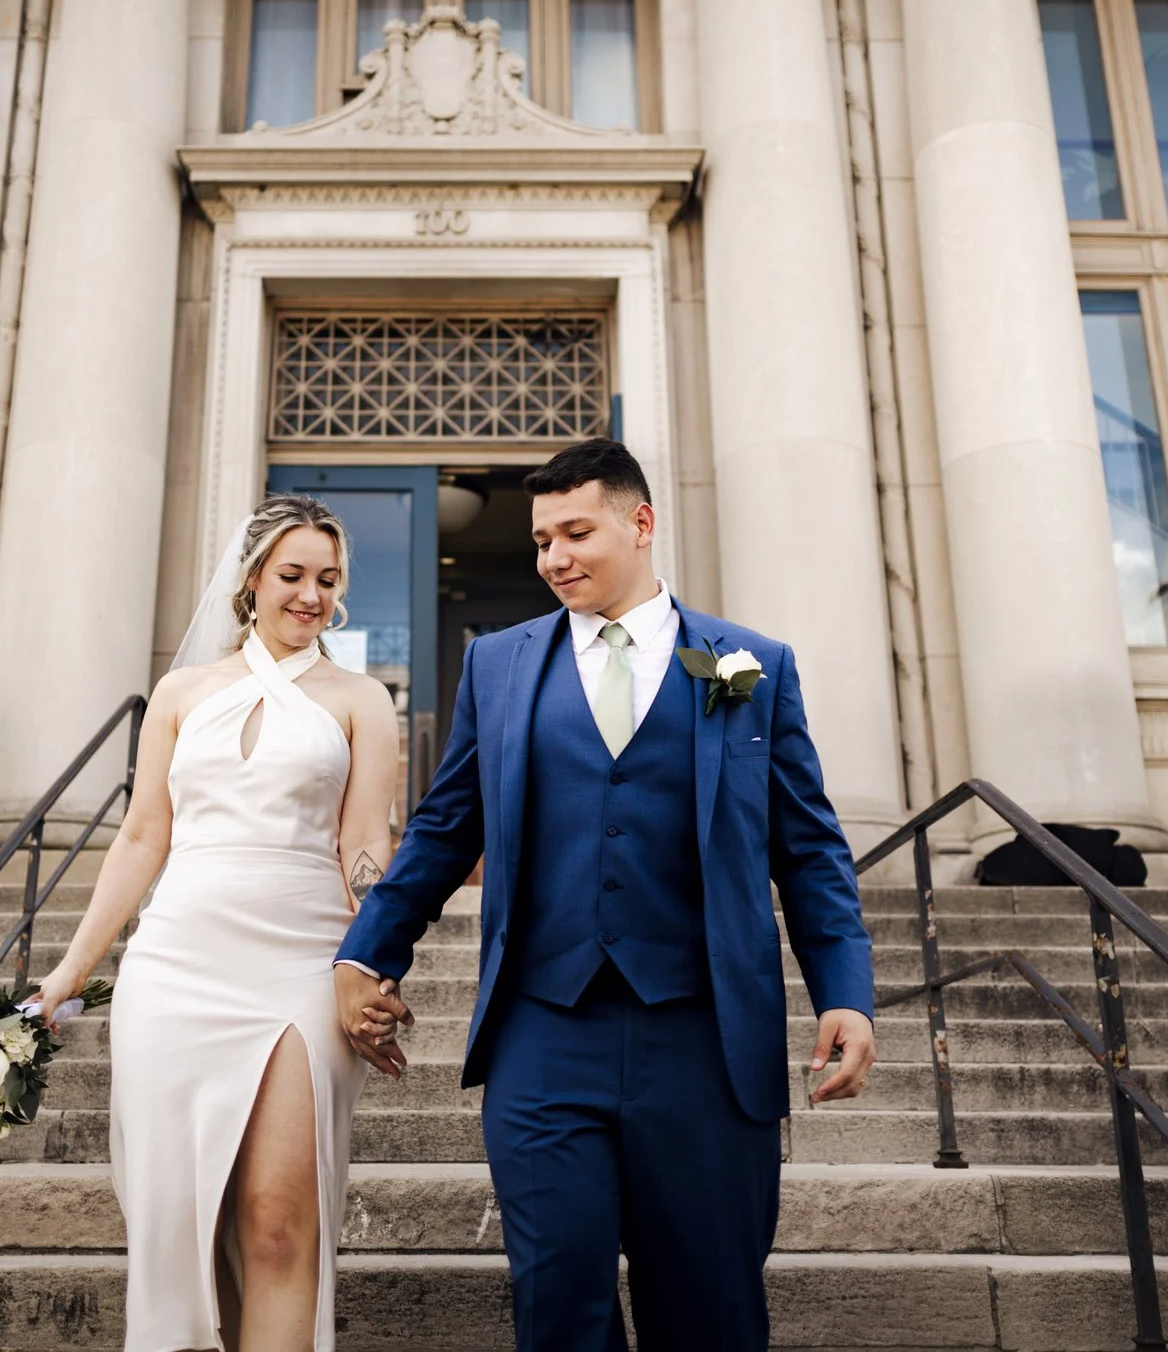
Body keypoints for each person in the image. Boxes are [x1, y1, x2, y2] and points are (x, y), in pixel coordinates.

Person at [334, 438, 877, 1352]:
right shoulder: (499, 666)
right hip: (544, 1033)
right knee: (557, 1310)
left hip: (706, 1038)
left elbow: (811, 849)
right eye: (542, 540)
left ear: (642, 523)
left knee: (711, 1316)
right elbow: (443, 825)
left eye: (575, 533)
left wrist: (847, 993)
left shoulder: (753, 665)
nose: (553, 559)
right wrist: (366, 952)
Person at [28, 494, 403, 1352]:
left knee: (277, 1222)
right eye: (292, 576)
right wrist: (71, 972)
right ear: (252, 581)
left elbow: (366, 845)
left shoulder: (360, 699)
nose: (311, 595)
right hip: (178, 963)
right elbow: (140, 836)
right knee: (180, 1226)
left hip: (303, 964)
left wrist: (374, 964)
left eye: (328, 580)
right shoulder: (180, 692)